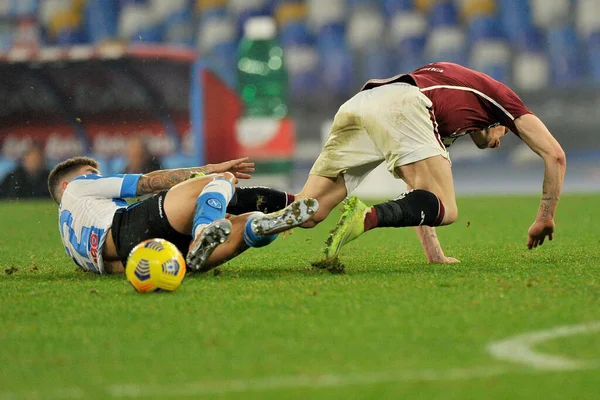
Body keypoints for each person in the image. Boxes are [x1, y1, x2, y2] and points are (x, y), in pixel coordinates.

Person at [286, 62, 565, 263]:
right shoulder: (502, 99)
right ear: (498, 121)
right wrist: (545, 217)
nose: (500, 140)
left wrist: (435, 256)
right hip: (404, 102)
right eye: (503, 132)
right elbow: (555, 155)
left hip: (363, 100)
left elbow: (417, 190)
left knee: (311, 208)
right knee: (449, 209)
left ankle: (247, 206)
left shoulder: (452, 109)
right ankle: (367, 216)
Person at [47, 156, 318, 274]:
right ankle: (203, 231)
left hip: (138, 257)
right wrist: (212, 168)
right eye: (93, 174)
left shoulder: (70, 243)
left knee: (246, 225)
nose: (97, 177)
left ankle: (258, 226)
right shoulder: (79, 187)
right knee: (219, 179)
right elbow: (147, 182)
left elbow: (113, 268)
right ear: (66, 185)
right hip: (127, 225)